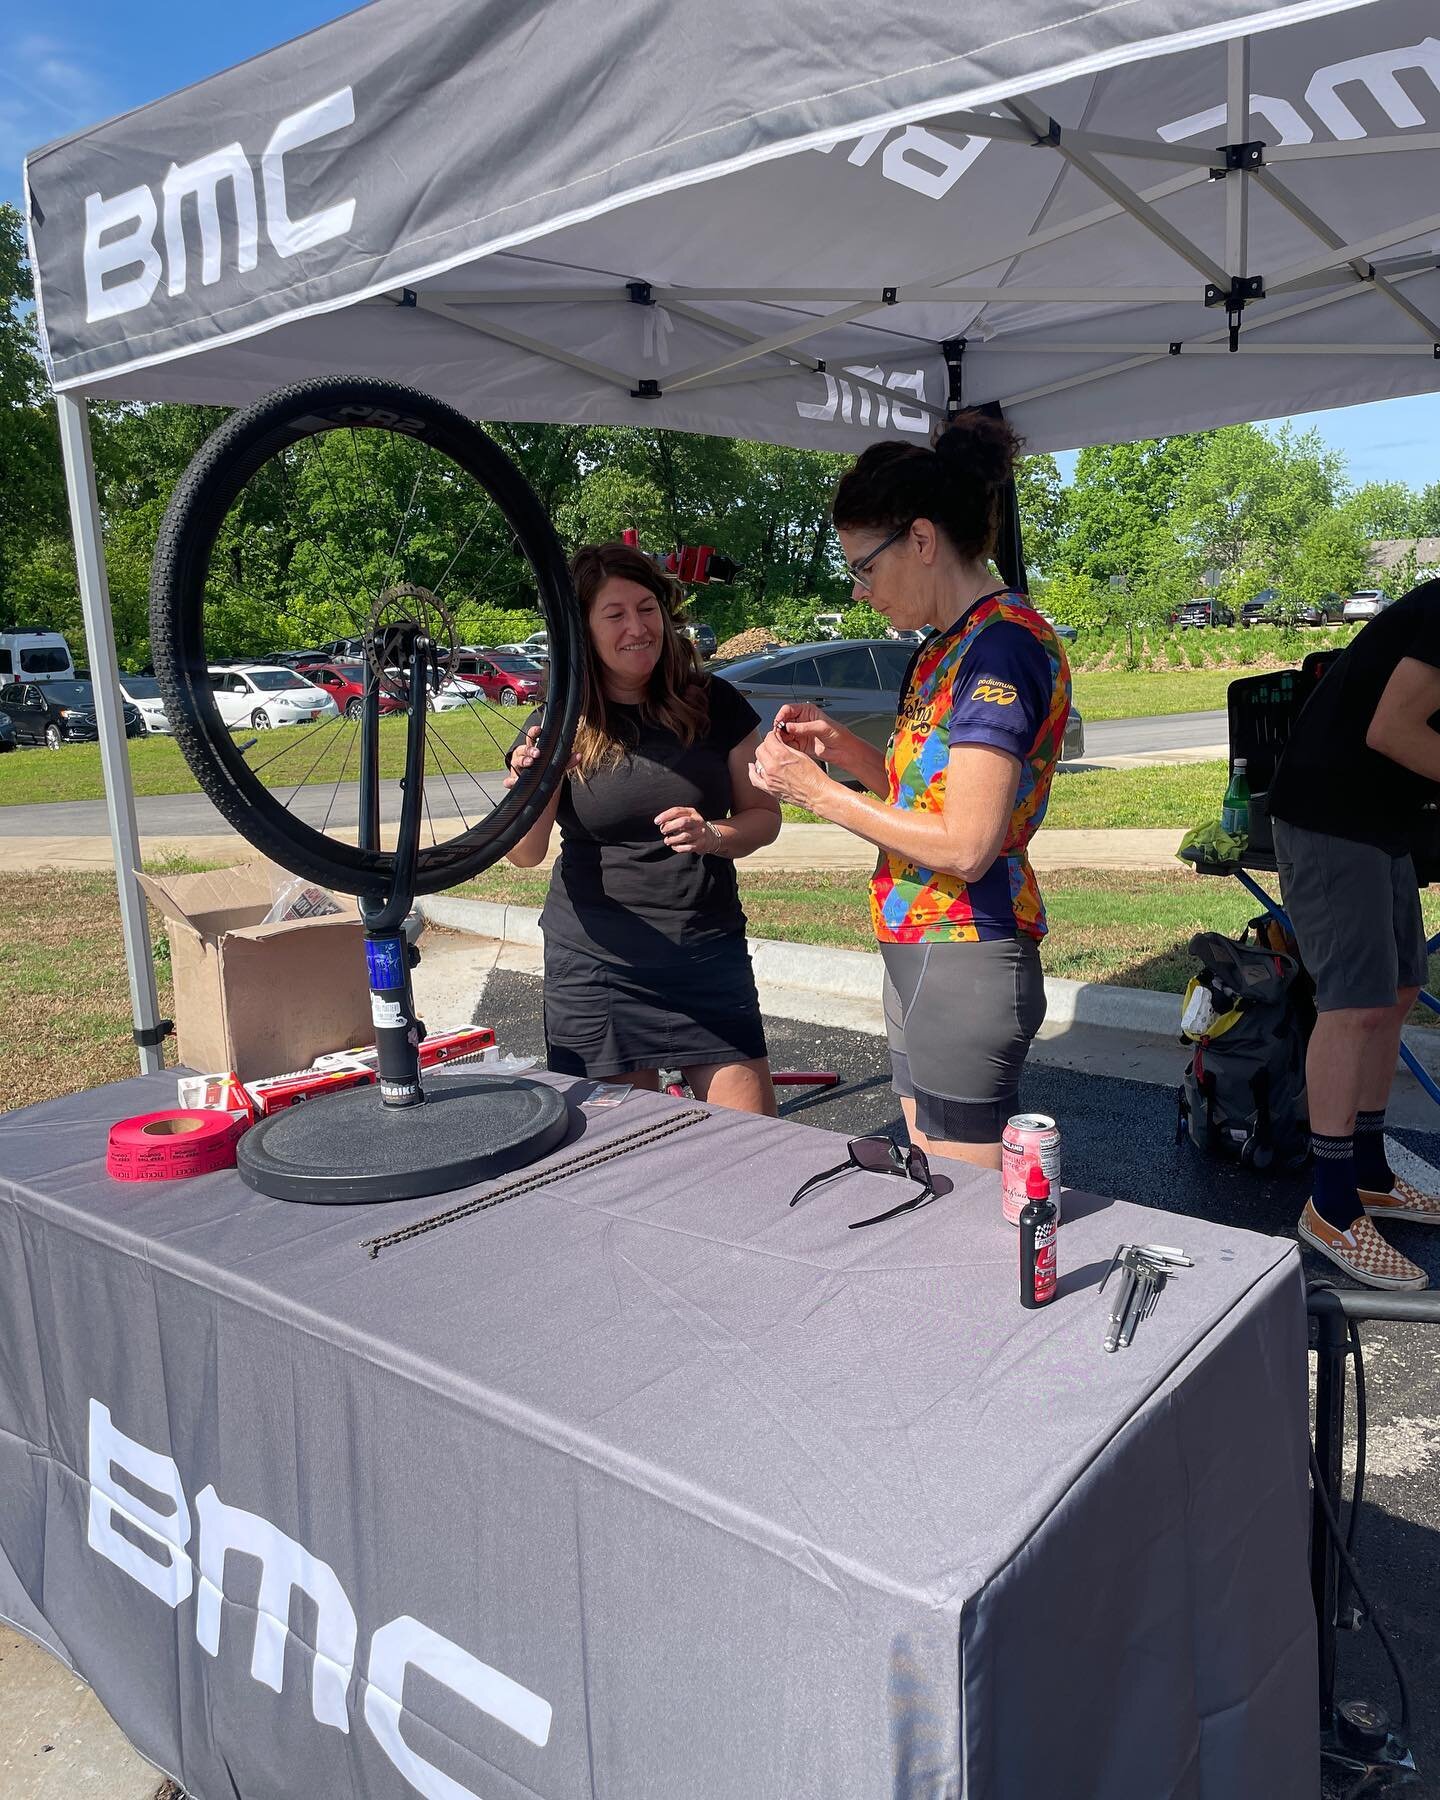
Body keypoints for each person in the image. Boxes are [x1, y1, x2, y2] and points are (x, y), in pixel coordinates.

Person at [750, 412, 1070, 1170]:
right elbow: (922, 799)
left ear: (922, 541)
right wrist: (842, 750)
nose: (860, 590)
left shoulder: (1000, 649)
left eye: (864, 566)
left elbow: (966, 842)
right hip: (923, 943)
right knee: (932, 1187)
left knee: (962, 1217)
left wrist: (815, 793)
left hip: (965, 944)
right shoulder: (945, 647)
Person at [504, 542, 781, 1113]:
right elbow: (526, 855)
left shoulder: (714, 700)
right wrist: (535, 783)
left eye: (647, 607)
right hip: (598, 966)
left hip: (704, 952)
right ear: (583, 629)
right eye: (615, 614)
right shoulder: (559, 718)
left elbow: (764, 818)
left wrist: (715, 836)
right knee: (622, 1155)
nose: (637, 627)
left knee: (753, 1147)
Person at [1268, 578, 1440, 1289]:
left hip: (1380, 818)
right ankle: (1331, 1204)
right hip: (1330, 814)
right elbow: (1392, 728)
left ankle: (1369, 1172)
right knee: (1355, 1004)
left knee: (1398, 990)